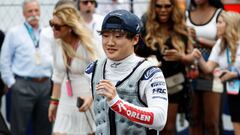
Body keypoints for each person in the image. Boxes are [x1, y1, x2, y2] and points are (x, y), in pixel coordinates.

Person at [85, 9, 168, 135]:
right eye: (105, 35)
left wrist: (117, 103)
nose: (110, 42)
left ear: (135, 39)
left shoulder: (150, 73)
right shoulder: (92, 70)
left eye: (118, 36)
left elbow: (160, 120)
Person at [135, 0, 196, 134]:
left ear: (173, 7)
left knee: (168, 128)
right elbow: (133, 53)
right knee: (151, 127)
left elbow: (191, 58)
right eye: (159, 6)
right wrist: (147, 60)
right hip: (149, 82)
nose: (163, 9)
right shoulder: (144, 24)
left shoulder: (180, 26)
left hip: (173, 82)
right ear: (153, 7)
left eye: (167, 6)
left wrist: (180, 57)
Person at [0, 0, 52, 134]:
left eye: (36, 10)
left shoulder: (48, 32)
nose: (34, 14)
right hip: (23, 85)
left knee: (44, 127)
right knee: (19, 128)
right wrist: (12, 83)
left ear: (40, 12)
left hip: (45, 86)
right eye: (30, 11)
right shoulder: (14, 33)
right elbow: (4, 61)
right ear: (24, 14)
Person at [48, 4, 97, 135]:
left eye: (57, 26)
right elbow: (58, 75)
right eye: (51, 24)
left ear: (69, 27)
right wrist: (54, 102)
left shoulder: (88, 43)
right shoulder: (57, 42)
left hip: (85, 96)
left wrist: (91, 97)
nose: (53, 29)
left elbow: (100, 74)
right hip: (65, 97)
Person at [193, 11, 240, 135]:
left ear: (230, 25)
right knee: (237, 127)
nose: (216, 26)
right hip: (233, 91)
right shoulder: (220, 44)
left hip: (234, 83)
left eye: (219, 22)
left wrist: (235, 75)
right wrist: (198, 57)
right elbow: (208, 68)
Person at [186, 0, 224, 134]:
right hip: (190, 71)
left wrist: (199, 40)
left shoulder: (220, 14)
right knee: (194, 118)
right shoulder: (186, 14)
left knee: (211, 122)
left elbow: (226, 43)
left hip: (213, 72)